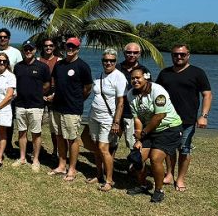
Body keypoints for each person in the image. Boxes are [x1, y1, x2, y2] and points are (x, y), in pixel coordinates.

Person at [156, 44, 212, 192]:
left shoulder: (197, 73)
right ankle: (169, 174)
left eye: (182, 54)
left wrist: (204, 116)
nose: (179, 57)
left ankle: (180, 178)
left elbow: (207, 94)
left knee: (184, 149)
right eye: (175, 54)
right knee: (169, 149)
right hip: (167, 119)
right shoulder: (165, 73)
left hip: (187, 120)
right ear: (172, 55)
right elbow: (157, 94)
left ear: (188, 55)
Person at [127, 67, 183, 203]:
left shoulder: (158, 91)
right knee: (137, 159)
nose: (135, 80)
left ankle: (159, 190)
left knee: (155, 158)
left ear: (146, 77)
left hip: (168, 128)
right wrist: (139, 138)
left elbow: (159, 116)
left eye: (138, 77)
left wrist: (144, 134)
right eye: (132, 78)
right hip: (149, 129)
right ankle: (143, 184)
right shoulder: (131, 94)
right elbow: (137, 119)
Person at [48, 37, 93, 181]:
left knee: (72, 139)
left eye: (73, 46)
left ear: (78, 49)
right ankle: (62, 165)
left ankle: (72, 169)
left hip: (72, 109)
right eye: (68, 46)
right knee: (59, 136)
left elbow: (87, 88)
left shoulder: (83, 66)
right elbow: (57, 84)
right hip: (57, 107)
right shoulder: (59, 65)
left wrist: (78, 100)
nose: (70, 48)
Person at [86, 49, 127, 191]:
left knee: (104, 149)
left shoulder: (119, 77)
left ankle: (109, 180)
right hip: (94, 116)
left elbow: (121, 102)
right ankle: (99, 175)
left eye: (112, 60)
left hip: (108, 118)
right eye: (105, 60)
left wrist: (116, 122)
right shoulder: (99, 75)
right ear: (102, 61)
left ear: (115, 61)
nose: (108, 63)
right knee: (96, 147)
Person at [12, 40, 51, 172]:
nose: (28, 51)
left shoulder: (42, 66)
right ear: (23, 50)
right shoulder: (18, 67)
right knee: (22, 132)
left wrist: (38, 93)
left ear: (35, 50)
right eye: (26, 49)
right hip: (20, 104)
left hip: (36, 105)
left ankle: (35, 160)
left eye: (31, 49)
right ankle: (22, 158)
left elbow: (47, 84)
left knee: (36, 133)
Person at [117, 42, 151, 149]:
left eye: (135, 52)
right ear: (124, 53)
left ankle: (135, 165)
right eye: (129, 52)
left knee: (133, 145)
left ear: (139, 54)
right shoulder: (117, 68)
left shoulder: (144, 70)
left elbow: (149, 91)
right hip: (116, 111)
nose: (132, 55)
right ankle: (109, 165)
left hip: (133, 114)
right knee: (111, 143)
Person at [38, 37, 61, 158]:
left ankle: (56, 151)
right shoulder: (38, 60)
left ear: (54, 47)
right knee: (37, 125)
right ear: (43, 47)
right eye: (46, 45)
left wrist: (54, 95)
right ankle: (37, 148)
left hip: (54, 94)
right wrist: (39, 95)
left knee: (54, 127)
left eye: (51, 45)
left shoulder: (59, 61)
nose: (48, 48)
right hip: (40, 93)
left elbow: (61, 81)